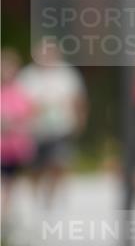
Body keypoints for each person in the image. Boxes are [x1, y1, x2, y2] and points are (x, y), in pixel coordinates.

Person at [18, 39, 87, 207]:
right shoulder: (27, 76)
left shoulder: (67, 74)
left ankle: (51, 196)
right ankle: (36, 195)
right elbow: (18, 102)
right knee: (36, 167)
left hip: (61, 128)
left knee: (58, 162)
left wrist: (80, 120)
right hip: (35, 129)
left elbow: (79, 99)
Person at [0, 48, 35, 227]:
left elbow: (27, 114)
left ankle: (11, 214)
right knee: (6, 182)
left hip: (16, 146)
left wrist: (11, 123)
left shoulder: (20, 91)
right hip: (2, 146)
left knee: (12, 182)